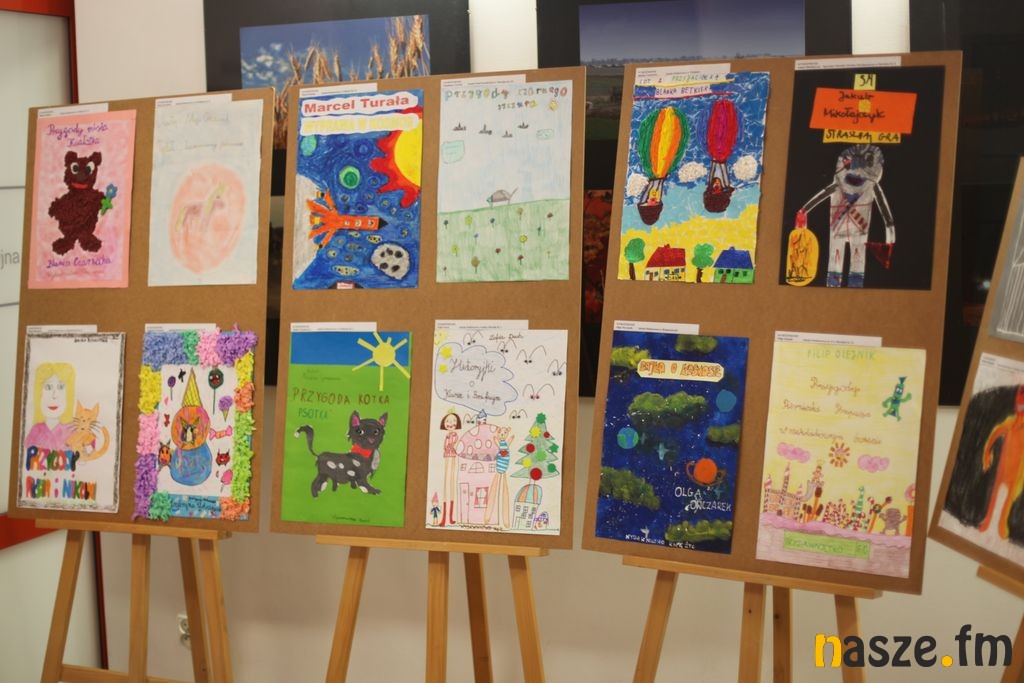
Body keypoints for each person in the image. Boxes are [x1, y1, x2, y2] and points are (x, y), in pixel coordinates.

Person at [24, 362, 76, 451]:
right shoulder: (35, 432)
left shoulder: (72, 432)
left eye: (61, 387)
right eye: (48, 387)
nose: (54, 395)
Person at [485, 429, 513, 529]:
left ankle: (505, 521)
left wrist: (510, 439)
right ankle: (487, 518)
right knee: (495, 487)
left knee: (504, 489)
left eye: (505, 433)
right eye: (500, 433)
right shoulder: (500, 443)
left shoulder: (505, 443)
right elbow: (497, 442)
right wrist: (496, 440)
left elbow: (508, 442)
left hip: (504, 465)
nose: (502, 435)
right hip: (500, 465)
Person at [439, 412, 462, 526]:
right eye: (448, 421)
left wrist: (450, 446)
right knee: (445, 484)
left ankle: (450, 517)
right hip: (447, 456)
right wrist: (447, 447)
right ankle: (444, 518)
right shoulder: (447, 436)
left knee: (451, 483)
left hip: (452, 455)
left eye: (453, 421)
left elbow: (454, 444)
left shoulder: (454, 435)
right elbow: (445, 445)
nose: (450, 423)